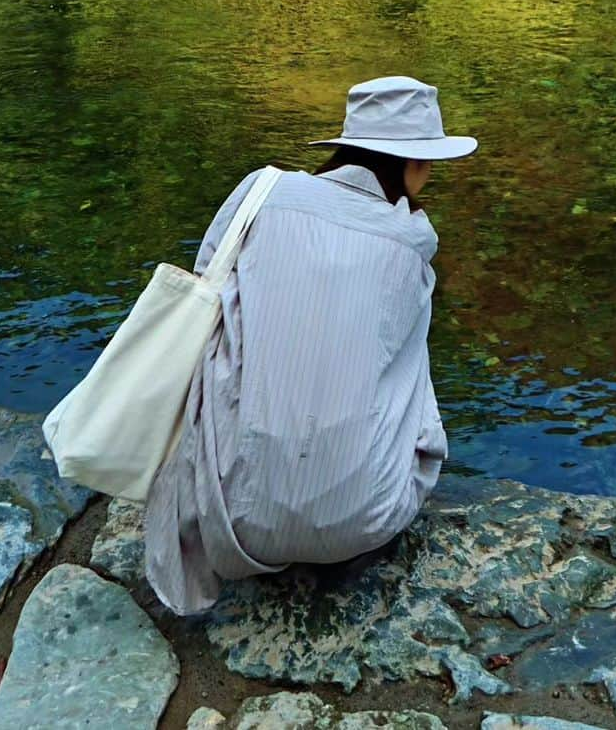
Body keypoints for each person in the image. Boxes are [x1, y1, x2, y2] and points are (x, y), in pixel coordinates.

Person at [144, 75, 477, 615]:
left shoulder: (263, 193)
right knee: (404, 366)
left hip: (229, 517)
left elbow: (204, 290)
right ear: (412, 163)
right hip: (366, 521)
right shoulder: (413, 240)